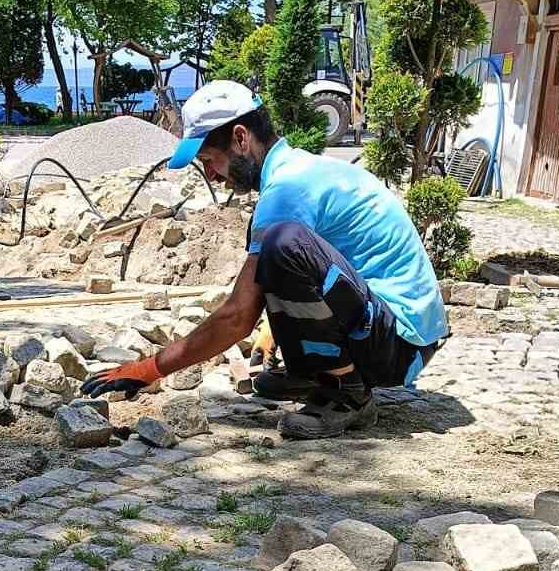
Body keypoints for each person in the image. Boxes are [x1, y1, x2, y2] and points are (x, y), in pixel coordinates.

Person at [81, 81, 448, 440]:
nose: (211, 175)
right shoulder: (298, 172)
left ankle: (346, 392)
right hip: (397, 332)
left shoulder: (287, 191)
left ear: (241, 138)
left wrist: (150, 368)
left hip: (398, 347)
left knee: (281, 243)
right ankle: (315, 372)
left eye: (210, 160)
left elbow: (238, 315)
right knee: (273, 247)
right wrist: (277, 329)